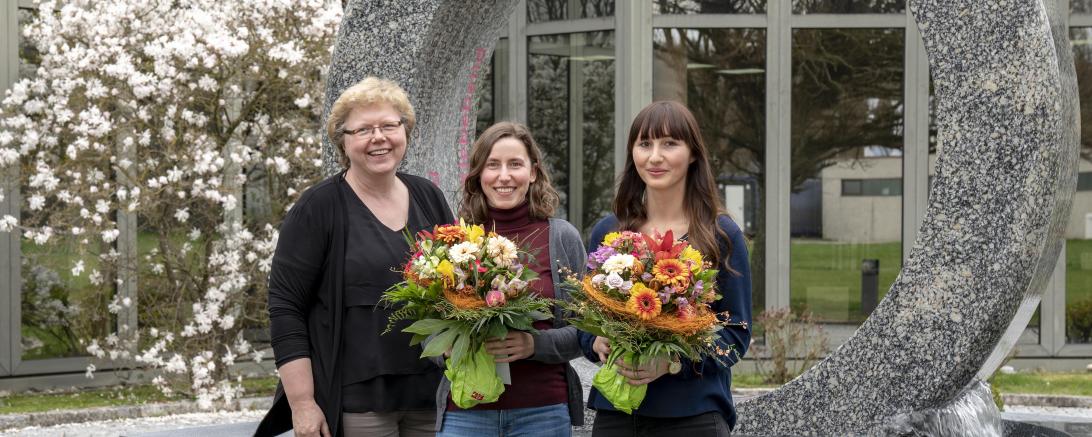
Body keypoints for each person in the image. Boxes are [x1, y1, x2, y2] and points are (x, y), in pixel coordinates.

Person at [256, 77, 454, 437]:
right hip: (356, 401)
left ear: (405, 131)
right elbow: (286, 309)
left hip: (432, 394)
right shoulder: (318, 208)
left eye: (389, 126)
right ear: (343, 142)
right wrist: (302, 403)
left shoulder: (428, 196)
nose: (378, 138)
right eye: (363, 129)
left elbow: (458, 289)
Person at [579, 101, 752, 437]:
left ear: (692, 155)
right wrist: (594, 341)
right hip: (617, 414)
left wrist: (672, 363)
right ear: (633, 154)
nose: (654, 157)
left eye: (669, 143)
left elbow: (735, 335)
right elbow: (585, 318)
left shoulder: (721, 236)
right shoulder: (609, 233)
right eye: (645, 144)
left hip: (693, 416)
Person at [434, 122, 586, 437]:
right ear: (478, 175)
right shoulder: (455, 242)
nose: (504, 176)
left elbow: (585, 331)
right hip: (466, 414)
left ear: (532, 172)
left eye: (515, 164)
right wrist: (447, 347)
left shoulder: (561, 237)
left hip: (542, 412)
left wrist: (534, 344)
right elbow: (428, 333)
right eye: (493, 165)